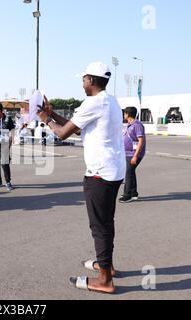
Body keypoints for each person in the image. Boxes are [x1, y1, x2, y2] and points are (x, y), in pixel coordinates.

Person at [37, 62, 125, 294]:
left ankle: (105, 280)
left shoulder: (94, 102)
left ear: (92, 80)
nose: (82, 83)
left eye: (84, 79)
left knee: (100, 225)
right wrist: (52, 113)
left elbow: (63, 133)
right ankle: (107, 266)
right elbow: (77, 127)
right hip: (113, 170)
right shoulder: (110, 101)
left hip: (100, 172)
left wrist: (45, 118)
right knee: (106, 221)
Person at [119, 107, 146, 203]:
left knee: (128, 172)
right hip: (128, 153)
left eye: (124, 113)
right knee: (131, 172)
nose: (123, 115)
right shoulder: (130, 125)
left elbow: (141, 141)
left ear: (127, 114)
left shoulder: (137, 125)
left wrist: (135, 155)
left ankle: (127, 195)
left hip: (134, 154)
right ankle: (133, 193)